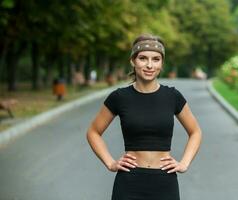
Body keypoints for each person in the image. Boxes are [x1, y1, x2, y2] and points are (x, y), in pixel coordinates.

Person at [86, 33, 202, 200]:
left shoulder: (172, 96)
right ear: (133, 61)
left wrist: (184, 163)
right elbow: (93, 132)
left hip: (164, 182)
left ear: (162, 64)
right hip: (129, 182)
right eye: (143, 58)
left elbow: (195, 132)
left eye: (156, 59)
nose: (149, 65)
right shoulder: (120, 97)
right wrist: (110, 163)